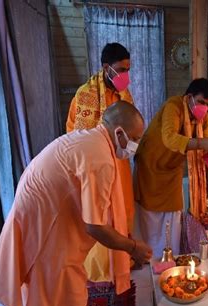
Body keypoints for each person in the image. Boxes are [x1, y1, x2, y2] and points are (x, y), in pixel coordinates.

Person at [0, 102, 153, 306]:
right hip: (44, 239)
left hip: (41, 226)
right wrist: (133, 247)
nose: (134, 146)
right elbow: (95, 226)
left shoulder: (90, 139)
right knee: (61, 305)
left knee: (62, 303)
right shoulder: (100, 158)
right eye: (134, 139)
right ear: (119, 132)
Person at [66, 42, 137, 283]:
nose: (125, 75)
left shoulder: (124, 93)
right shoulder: (84, 95)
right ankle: (99, 275)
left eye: (128, 69)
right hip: (95, 169)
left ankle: (121, 264)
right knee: (100, 217)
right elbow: (75, 137)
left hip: (121, 167)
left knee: (123, 213)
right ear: (106, 68)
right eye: (121, 69)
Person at [134, 78, 208, 258]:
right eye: (200, 102)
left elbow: (205, 147)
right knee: (149, 216)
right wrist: (202, 143)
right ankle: (147, 258)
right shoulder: (173, 106)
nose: (204, 108)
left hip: (172, 170)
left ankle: (169, 257)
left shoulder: (203, 118)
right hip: (150, 166)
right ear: (189, 97)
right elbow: (170, 138)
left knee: (173, 216)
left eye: (207, 105)